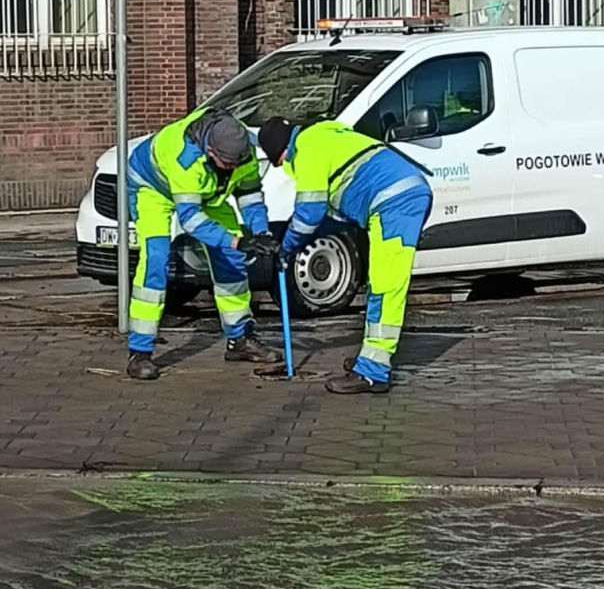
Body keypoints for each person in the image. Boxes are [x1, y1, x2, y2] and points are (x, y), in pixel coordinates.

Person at [258, 117, 433, 395]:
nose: (283, 167)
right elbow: (330, 214)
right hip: (399, 197)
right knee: (380, 284)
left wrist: (287, 247)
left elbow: (310, 213)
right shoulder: (325, 137)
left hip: (396, 204)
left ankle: (374, 373)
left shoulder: (306, 148)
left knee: (386, 288)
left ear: (281, 151)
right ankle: (370, 360)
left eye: (279, 162)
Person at [126, 105, 281, 380]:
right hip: (152, 188)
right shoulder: (185, 159)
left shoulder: (243, 149)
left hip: (208, 194)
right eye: (227, 165)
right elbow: (191, 220)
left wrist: (261, 233)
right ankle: (140, 352)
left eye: (237, 164)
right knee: (156, 260)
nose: (234, 169)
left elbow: (249, 195)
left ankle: (240, 340)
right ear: (210, 153)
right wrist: (235, 241)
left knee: (232, 262)